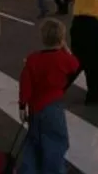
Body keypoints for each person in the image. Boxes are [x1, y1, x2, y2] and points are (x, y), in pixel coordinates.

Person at [18, 18, 81, 174]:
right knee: (57, 141)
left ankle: (28, 170)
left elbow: (25, 84)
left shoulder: (32, 59)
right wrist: (65, 47)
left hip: (35, 107)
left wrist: (22, 105)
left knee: (33, 141)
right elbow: (76, 65)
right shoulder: (64, 59)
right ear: (62, 39)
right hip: (53, 107)